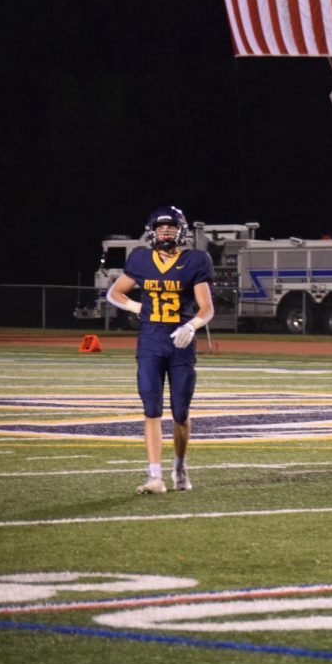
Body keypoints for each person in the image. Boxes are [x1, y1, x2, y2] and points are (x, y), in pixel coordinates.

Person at [106, 206, 215, 495]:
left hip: (180, 343)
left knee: (180, 412)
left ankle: (179, 466)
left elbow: (207, 307)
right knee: (151, 408)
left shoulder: (196, 260)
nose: (165, 232)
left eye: (170, 227)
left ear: (182, 231)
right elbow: (114, 292)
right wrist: (136, 306)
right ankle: (155, 475)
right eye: (160, 228)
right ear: (152, 231)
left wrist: (191, 326)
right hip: (151, 340)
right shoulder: (141, 259)